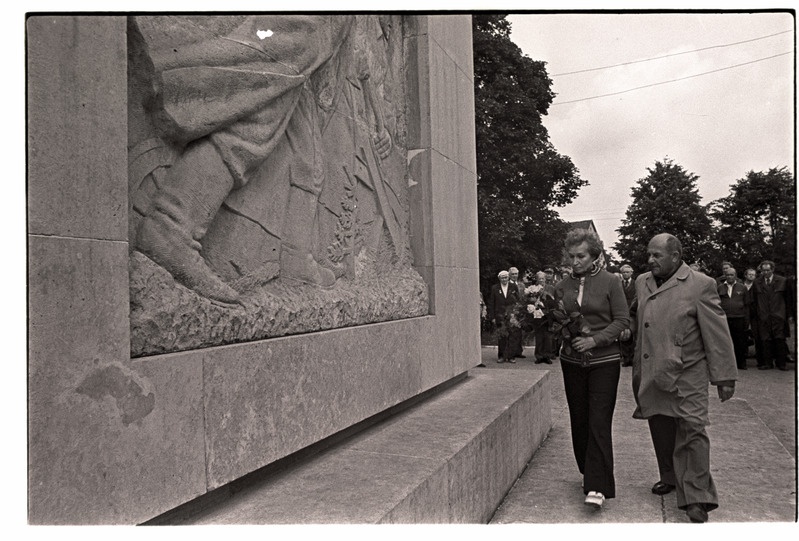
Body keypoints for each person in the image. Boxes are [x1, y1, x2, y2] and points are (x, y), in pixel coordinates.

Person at [631, 233, 737, 523]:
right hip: (653, 369)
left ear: (676, 257)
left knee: (692, 430)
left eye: (657, 255)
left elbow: (716, 333)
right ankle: (671, 477)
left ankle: (697, 497)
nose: (650, 260)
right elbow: (638, 319)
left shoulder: (701, 285)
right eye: (649, 254)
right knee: (660, 424)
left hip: (689, 371)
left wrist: (724, 377)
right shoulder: (642, 282)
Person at [554, 229, 629, 509]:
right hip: (571, 361)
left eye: (581, 256)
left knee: (598, 420)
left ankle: (598, 485)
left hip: (604, 361)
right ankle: (588, 471)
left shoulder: (611, 281)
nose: (575, 261)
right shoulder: (562, 285)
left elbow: (621, 320)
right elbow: (557, 319)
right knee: (580, 419)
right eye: (571, 256)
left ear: (594, 254)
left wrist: (595, 340)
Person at [750, 260, 794, 371]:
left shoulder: (783, 281)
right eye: (763, 270)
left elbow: (789, 299)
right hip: (763, 316)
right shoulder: (757, 282)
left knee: (780, 339)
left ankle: (781, 363)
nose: (765, 272)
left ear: (772, 269)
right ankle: (767, 363)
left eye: (768, 270)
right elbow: (754, 300)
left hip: (778, 315)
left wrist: (789, 315)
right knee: (765, 340)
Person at [718, 266, 750, 370]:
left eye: (731, 275)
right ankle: (726, 364)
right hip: (725, 318)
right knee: (725, 342)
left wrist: (746, 320)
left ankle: (741, 363)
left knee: (740, 342)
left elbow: (746, 305)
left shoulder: (742, 287)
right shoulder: (720, 287)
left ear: (735, 276)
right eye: (727, 275)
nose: (729, 277)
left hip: (739, 318)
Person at [487, 270, 519, 364]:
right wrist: (492, 317)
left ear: (508, 277)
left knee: (512, 336)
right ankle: (501, 356)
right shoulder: (495, 288)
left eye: (506, 277)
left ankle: (511, 356)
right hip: (499, 315)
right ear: (499, 278)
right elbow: (491, 303)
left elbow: (518, 300)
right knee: (502, 336)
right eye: (502, 278)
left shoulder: (513, 287)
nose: (504, 279)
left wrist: (516, 314)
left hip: (511, 315)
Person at [533, 271, 556, 365]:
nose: (541, 280)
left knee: (548, 336)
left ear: (545, 279)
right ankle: (539, 356)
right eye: (539, 279)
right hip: (537, 316)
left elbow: (554, 301)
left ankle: (547, 356)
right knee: (539, 336)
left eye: (543, 278)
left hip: (548, 315)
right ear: (537, 279)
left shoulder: (551, 288)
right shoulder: (533, 289)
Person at [618, 264, 636, 367]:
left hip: (633, 313)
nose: (625, 274)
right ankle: (625, 358)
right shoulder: (618, 284)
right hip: (622, 313)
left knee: (633, 335)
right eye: (624, 272)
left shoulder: (636, 284)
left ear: (631, 273)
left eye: (627, 272)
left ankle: (633, 357)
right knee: (623, 335)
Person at [508, 267, 525, 359]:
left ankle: (519, 351)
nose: (514, 276)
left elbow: (524, 297)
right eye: (513, 274)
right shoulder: (507, 285)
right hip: (512, 310)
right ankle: (512, 351)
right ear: (509, 275)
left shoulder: (521, 285)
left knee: (519, 331)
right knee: (512, 331)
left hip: (521, 310)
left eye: (516, 274)